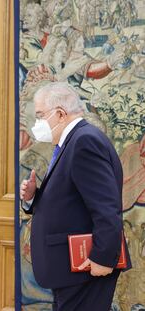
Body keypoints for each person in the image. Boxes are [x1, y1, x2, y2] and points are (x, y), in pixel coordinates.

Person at [20, 82, 131, 311]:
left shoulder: (84, 141)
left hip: (86, 267)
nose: (37, 124)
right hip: (71, 269)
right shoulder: (74, 141)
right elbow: (72, 201)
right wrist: (33, 198)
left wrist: (102, 257)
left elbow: (106, 207)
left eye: (40, 116)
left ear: (60, 113)